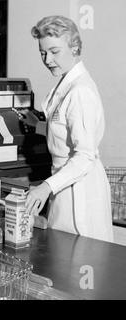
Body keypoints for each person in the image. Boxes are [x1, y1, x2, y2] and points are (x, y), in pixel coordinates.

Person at [20, 15, 113, 242]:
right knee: (64, 258)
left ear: (74, 47)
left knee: (80, 260)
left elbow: (84, 157)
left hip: (80, 189)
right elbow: (65, 130)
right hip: (64, 182)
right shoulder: (67, 82)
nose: (47, 59)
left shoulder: (79, 91)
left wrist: (45, 188)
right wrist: (38, 125)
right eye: (43, 52)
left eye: (54, 51)